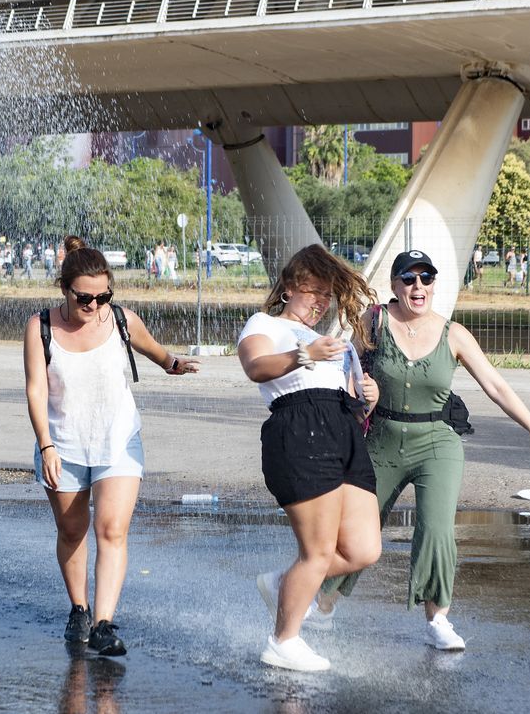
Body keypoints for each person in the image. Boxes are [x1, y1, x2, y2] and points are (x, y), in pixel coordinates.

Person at [320, 250, 530, 652]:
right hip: (381, 439)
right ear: (394, 286)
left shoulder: (454, 333)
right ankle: (321, 605)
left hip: (438, 443)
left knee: (436, 529)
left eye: (426, 278)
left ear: (435, 284)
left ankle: (438, 619)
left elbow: (497, 387)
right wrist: (361, 390)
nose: (418, 287)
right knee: (357, 530)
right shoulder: (374, 321)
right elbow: (342, 369)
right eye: (409, 279)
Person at [24, 236, 200, 657]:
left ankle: (103, 623)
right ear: (64, 290)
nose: (94, 306)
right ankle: (79, 609)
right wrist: (46, 446)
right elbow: (34, 391)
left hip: (118, 441)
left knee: (111, 530)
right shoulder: (41, 327)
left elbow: (157, 353)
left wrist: (173, 364)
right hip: (62, 444)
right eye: (85, 298)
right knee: (71, 530)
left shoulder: (120, 320)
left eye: (103, 296)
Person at [238, 244, 381, 672]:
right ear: (287, 289)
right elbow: (256, 366)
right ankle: (283, 641)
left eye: (327, 295)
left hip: (342, 432)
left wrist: (365, 399)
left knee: (363, 549)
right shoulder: (264, 324)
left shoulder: (332, 341)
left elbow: (344, 398)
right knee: (317, 552)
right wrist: (306, 354)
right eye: (312, 292)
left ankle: (286, 583)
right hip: (297, 432)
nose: (321, 302)